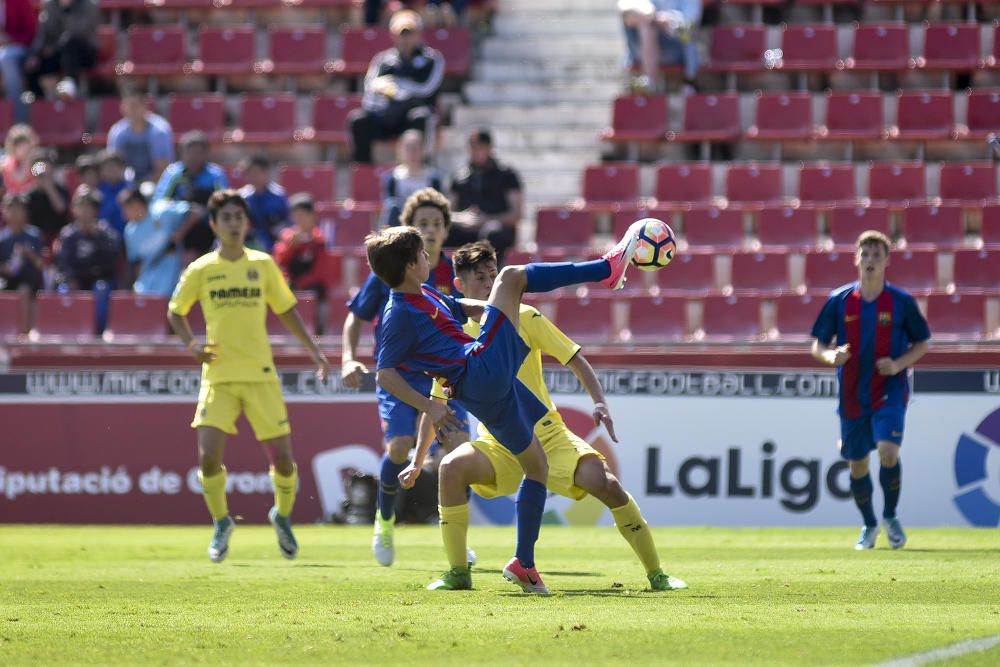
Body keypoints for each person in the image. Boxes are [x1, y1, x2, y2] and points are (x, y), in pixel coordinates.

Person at [364, 213, 645, 593]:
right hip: (479, 370)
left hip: (485, 387)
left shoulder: (424, 292)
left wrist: (486, 309)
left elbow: (457, 308)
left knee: (536, 467)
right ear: (412, 265)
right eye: (422, 253)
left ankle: (522, 565)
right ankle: (606, 269)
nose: (430, 257)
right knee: (511, 276)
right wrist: (427, 405)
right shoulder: (398, 313)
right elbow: (385, 374)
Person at [167, 189, 331, 563]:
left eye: (238, 217)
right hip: (219, 375)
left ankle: (283, 516)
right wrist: (192, 344)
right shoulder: (202, 269)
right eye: (225, 217)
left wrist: (314, 351)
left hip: (260, 374)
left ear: (246, 223)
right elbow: (176, 311)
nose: (233, 223)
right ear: (214, 224)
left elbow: (287, 309)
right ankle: (222, 521)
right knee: (208, 458)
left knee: (285, 462)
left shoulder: (262, 265)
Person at [341, 187, 470, 567]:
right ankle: (384, 520)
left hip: (443, 376)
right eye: (421, 224)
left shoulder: (450, 272)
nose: (428, 231)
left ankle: (456, 537)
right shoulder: (396, 264)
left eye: (435, 224)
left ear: (446, 230)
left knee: (460, 450)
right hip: (399, 375)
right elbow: (356, 316)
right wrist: (348, 358)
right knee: (398, 447)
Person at [810, 230, 930, 551]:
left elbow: (922, 343)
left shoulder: (901, 303)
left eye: (877, 255)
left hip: (890, 387)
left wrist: (899, 363)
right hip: (851, 392)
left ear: (887, 260)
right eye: (865, 255)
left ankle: (890, 515)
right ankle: (869, 522)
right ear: (856, 259)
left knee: (889, 451)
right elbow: (818, 345)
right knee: (858, 463)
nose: (871, 261)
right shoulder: (839, 301)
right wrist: (830, 356)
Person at [349, 10, 444, 164]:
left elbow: (427, 88)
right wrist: (384, 89)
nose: (405, 38)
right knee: (358, 120)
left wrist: (399, 87)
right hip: (387, 113)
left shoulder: (432, 59)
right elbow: (370, 86)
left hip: (411, 115)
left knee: (421, 117)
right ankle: (363, 168)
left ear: (419, 34)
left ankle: (422, 165)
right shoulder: (383, 60)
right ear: (393, 35)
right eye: (401, 33)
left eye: (410, 33)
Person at [447, 129, 523, 264]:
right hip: (466, 228)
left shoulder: (506, 175)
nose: (475, 152)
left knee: (492, 233)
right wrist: (463, 218)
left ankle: (492, 276)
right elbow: (447, 213)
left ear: (489, 148)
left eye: (480, 147)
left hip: (496, 228)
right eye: (472, 147)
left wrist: (486, 219)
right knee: (443, 232)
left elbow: (516, 214)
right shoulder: (460, 178)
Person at [54, 186, 120, 334]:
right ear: (74, 209)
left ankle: (97, 332)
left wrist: (97, 237)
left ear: (96, 210)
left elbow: (112, 259)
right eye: (81, 206)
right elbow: (62, 261)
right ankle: (67, 331)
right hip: (76, 279)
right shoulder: (68, 234)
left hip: (98, 279)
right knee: (63, 291)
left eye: (89, 207)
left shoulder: (105, 233)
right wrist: (69, 277)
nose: (84, 211)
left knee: (101, 289)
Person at [154, 130, 229, 256]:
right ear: (182, 152)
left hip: (208, 224)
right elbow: (160, 201)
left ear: (206, 153)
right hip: (177, 221)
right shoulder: (174, 173)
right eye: (190, 151)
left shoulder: (215, 174)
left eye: (198, 152)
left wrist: (203, 212)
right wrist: (186, 209)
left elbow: (225, 202)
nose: (193, 156)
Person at [121, 187, 198, 297]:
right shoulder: (129, 231)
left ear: (137, 204)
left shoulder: (162, 210)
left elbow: (195, 212)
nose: (124, 214)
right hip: (149, 272)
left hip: (173, 264)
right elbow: (136, 262)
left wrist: (181, 232)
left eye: (126, 208)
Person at [272, 193, 330, 335]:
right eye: (296, 215)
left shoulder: (319, 239)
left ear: (312, 216)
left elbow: (322, 270)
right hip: (290, 284)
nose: (300, 219)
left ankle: (319, 332)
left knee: (320, 295)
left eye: (304, 214)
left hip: (313, 286)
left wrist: (302, 283)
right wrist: (292, 246)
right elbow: (278, 262)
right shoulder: (286, 237)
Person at [619, 0, 700, 94]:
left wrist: (668, 21)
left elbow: (689, 29)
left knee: (648, 26)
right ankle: (649, 82)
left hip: (675, 49)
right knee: (645, 25)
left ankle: (649, 82)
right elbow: (625, 11)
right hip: (639, 46)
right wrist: (652, 17)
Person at [24, 0, 99, 98]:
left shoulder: (89, 5)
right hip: (58, 53)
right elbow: (42, 35)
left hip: (83, 53)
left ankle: (70, 84)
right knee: (33, 67)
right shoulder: (49, 5)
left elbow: (79, 33)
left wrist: (67, 9)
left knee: (70, 43)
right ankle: (37, 102)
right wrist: (35, 54)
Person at [379, 129, 444, 227]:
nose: (412, 153)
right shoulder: (393, 177)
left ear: (423, 150)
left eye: (416, 148)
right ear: (401, 150)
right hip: (400, 222)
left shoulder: (433, 178)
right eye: (408, 148)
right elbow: (389, 203)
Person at [107, 90, 175, 182]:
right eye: (128, 105)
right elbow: (113, 168)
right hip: (125, 188)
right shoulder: (117, 132)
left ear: (144, 106)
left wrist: (142, 189)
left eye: (135, 105)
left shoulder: (159, 130)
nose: (131, 109)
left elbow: (162, 169)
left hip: (155, 186)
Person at [0, 193, 44, 334]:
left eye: (19, 209)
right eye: (11, 209)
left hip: (29, 281)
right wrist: (6, 269)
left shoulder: (34, 235)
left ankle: (24, 333)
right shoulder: (2, 238)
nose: (15, 213)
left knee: (24, 290)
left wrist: (28, 253)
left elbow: (40, 264)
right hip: (6, 280)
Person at [238, 155, 289, 253]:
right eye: (250, 172)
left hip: (275, 247)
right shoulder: (242, 197)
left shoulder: (279, 196)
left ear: (266, 172)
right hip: (247, 248)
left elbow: (287, 224)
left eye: (257, 172)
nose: (254, 176)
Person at [0, 0, 37, 123]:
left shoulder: (20, 2)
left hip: (19, 48)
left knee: (6, 58)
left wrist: (9, 40)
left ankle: (18, 120)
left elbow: (31, 33)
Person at [25, 149, 69, 247]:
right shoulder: (29, 195)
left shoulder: (61, 189)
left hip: (58, 236)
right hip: (35, 238)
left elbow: (61, 209)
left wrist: (48, 185)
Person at [96, 150, 132, 238]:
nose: (110, 170)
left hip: (127, 237)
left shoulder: (131, 189)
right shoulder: (97, 191)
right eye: (106, 167)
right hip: (102, 239)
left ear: (122, 168)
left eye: (114, 166)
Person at [2, 125, 39, 195]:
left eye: (25, 142)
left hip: (33, 199)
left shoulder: (38, 161)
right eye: (18, 144)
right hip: (14, 200)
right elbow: (19, 179)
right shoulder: (8, 162)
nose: (23, 147)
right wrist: (27, 160)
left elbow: (40, 179)